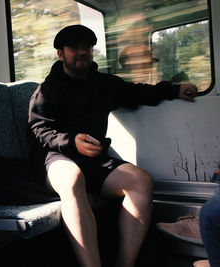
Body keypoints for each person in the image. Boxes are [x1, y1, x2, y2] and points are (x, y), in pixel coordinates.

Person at [27, 24, 197, 267]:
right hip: (54, 157)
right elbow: (39, 131)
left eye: (87, 47)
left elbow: (138, 93)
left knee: (141, 181)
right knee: (73, 178)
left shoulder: (104, 84)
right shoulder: (47, 90)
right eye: (74, 48)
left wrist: (175, 90)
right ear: (61, 54)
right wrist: (70, 141)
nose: (82, 52)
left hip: (92, 157)